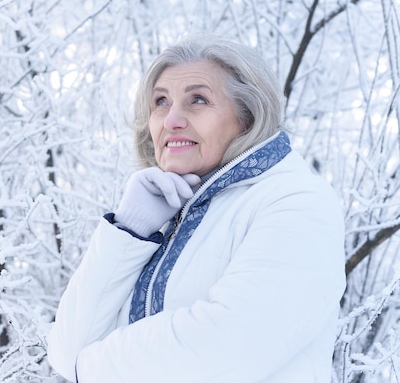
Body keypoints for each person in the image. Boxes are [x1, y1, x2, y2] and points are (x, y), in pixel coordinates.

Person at [46, 35, 346, 383]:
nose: (171, 119)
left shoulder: (296, 202)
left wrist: (89, 367)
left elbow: (231, 347)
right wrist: (129, 229)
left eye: (197, 100)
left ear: (247, 118)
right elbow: (65, 351)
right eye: (161, 101)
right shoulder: (173, 217)